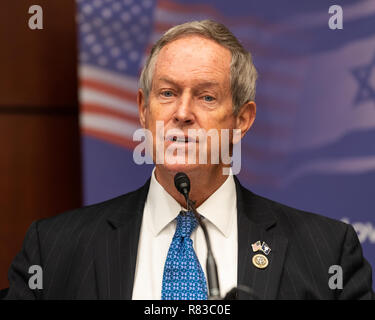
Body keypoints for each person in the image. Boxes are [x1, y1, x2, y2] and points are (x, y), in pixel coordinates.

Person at [5, 20, 374, 300]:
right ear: (142, 110)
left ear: (242, 120)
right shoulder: (53, 250)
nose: (181, 113)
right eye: (167, 93)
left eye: (206, 97)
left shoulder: (327, 252)